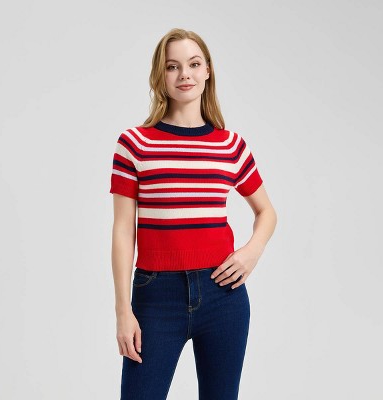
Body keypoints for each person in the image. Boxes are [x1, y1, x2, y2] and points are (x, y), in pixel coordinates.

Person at [109, 28, 277, 400]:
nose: (184, 74)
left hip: (224, 296)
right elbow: (123, 230)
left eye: (193, 64)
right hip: (156, 297)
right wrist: (123, 310)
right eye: (172, 66)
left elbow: (267, 211)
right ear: (160, 75)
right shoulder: (135, 143)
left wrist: (251, 252)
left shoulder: (230, 145)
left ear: (207, 71)